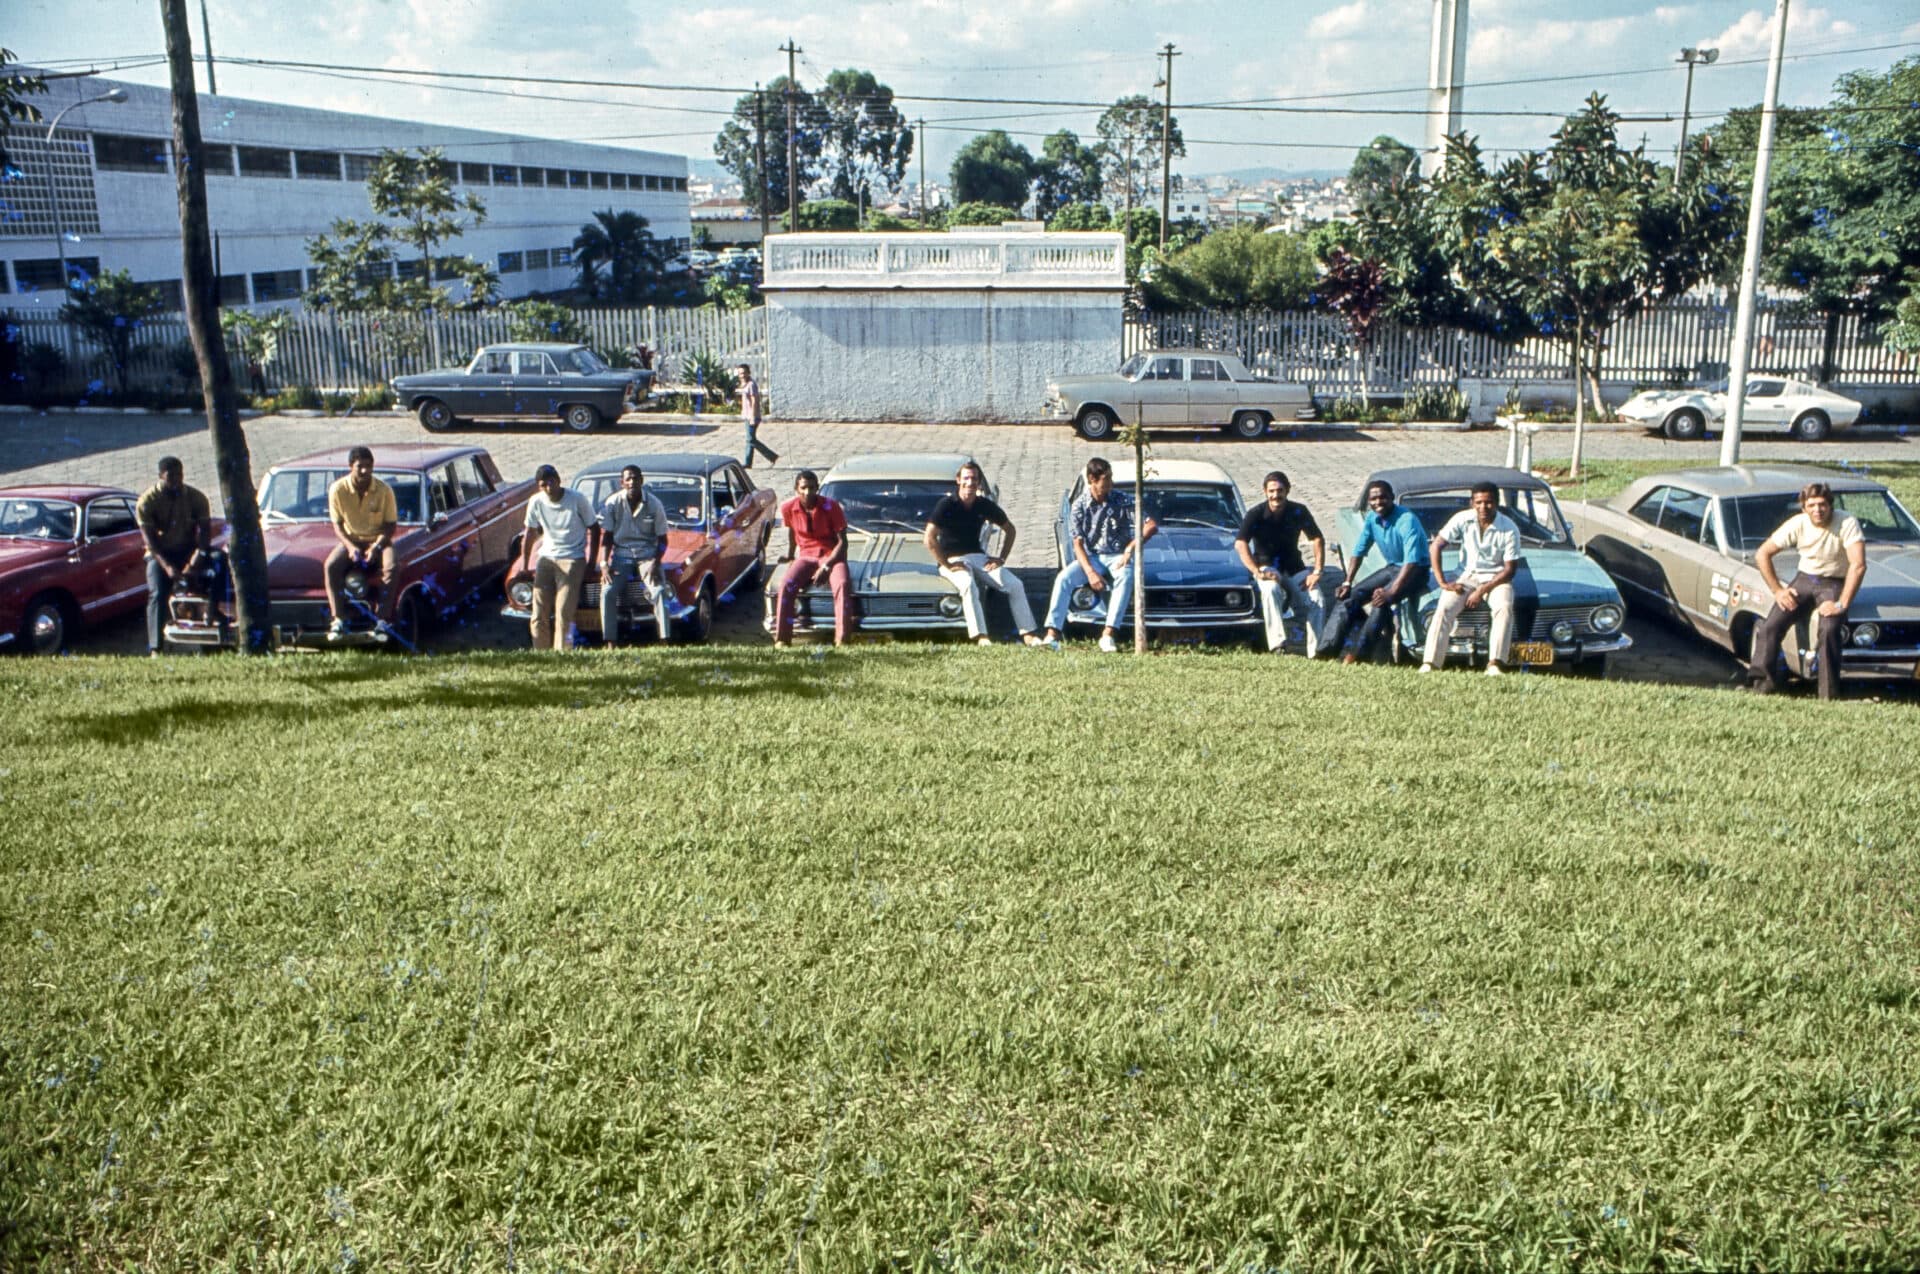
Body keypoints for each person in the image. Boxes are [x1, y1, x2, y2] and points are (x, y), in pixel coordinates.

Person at [1746, 481, 1866, 700]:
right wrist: (1778, 591)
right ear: (1804, 508)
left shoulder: (1847, 522)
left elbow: (1858, 565)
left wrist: (1842, 604)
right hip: (1805, 579)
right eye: (1811, 505)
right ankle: (1761, 686)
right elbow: (1762, 554)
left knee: (1829, 629)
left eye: (1822, 505)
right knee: (1770, 626)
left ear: (1831, 505)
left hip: (1833, 582)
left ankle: (1828, 695)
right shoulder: (1798, 523)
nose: (1817, 510)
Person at [1043, 457, 1158, 653]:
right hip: (1093, 557)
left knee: (1126, 576)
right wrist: (1090, 573)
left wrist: (1130, 548)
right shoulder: (1080, 506)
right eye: (1107, 479)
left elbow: (1151, 525)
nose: (1111, 484)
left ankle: (1108, 633)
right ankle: (1052, 634)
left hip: (1117, 555)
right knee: (1063, 579)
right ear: (1092, 480)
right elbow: (1077, 543)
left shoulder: (1121, 499)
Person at [924, 461, 1043, 647]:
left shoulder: (983, 505)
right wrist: (946, 564)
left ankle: (1028, 634)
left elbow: (1010, 529)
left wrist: (1001, 558)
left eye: (974, 479)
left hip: (977, 556)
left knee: (1015, 584)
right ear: (958, 480)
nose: (970, 483)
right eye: (966, 478)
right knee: (968, 584)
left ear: (979, 483)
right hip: (952, 560)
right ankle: (981, 636)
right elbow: (929, 538)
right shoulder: (946, 504)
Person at [1318, 478, 1429, 664]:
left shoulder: (1406, 520)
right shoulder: (1372, 518)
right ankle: (1325, 651)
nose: (1378, 503)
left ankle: (1359, 656)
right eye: (1373, 499)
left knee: (1380, 602)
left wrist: (1391, 592)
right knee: (1349, 598)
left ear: (1392, 498)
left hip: (1415, 571)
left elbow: (1411, 562)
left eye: (1383, 498)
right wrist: (1347, 582)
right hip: (1393, 567)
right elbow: (1358, 551)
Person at [1421, 481, 1521, 676]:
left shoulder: (1509, 528)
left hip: (1497, 579)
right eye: (1479, 502)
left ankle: (1495, 663)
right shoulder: (1462, 519)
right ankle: (1430, 663)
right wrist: (1442, 582)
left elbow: (1510, 570)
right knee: (1444, 608)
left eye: (1489, 502)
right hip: (1465, 576)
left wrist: (1481, 591)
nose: (1483, 507)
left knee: (1504, 608)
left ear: (1497, 503)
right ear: (1472, 503)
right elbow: (1436, 546)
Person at [1233, 469, 1330, 656]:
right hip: (1267, 567)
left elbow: (1317, 538)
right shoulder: (1256, 514)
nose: (1276, 495)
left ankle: (1316, 651)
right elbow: (1240, 543)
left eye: (1280, 490)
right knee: (1270, 591)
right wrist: (1256, 571)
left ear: (1287, 490)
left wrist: (1317, 571)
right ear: (1265, 492)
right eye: (1271, 491)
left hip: (1294, 568)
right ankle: (1278, 645)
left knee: (1317, 599)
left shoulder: (1298, 511)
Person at [134, 455, 212, 656]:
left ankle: (204, 640)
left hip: (188, 551)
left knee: (205, 585)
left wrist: (194, 563)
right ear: (161, 476)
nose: (177, 480)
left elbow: (204, 535)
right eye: (171, 476)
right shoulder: (147, 502)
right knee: (157, 593)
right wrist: (168, 568)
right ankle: (156, 647)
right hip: (160, 554)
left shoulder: (197, 498)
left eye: (180, 475)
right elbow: (151, 543)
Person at [518, 464, 599, 651]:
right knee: (538, 612)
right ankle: (541, 653)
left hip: (573, 557)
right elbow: (529, 533)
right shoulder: (536, 502)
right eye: (543, 485)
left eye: (551, 482)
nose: (548, 488)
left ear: (559, 480)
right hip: (546, 557)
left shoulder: (577, 499)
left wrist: (591, 562)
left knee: (564, 611)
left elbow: (594, 528)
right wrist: (524, 564)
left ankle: (563, 653)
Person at [773, 469, 854, 647]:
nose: (807, 492)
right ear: (796, 489)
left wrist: (827, 567)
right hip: (806, 555)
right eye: (803, 488)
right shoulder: (789, 508)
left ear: (817, 488)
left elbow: (843, 542)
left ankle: (842, 639)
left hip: (831, 555)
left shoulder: (831, 506)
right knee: (786, 585)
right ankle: (782, 639)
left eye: (811, 487)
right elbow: (793, 532)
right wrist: (790, 554)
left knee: (842, 584)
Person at [324, 445, 397, 639]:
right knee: (331, 565)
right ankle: (338, 618)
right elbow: (337, 525)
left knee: (392, 567)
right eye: (359, 466)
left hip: (378, 539)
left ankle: (382, 619)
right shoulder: (337, 490)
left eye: (368, 466)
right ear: (350, 467)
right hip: (352, 538)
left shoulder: (383, 490)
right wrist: (350, 547)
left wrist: (377, 547)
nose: (364, 471)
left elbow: (390, 525)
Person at [596, 465, 670, 644]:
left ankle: (664, 639)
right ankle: (610, 641)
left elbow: (663, 540)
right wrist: (604, 564)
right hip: (621, 556)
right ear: (622, 483)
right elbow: (607, 537)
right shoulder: (612, 503)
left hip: (647, 556)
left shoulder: (654, 504)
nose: (632, 482)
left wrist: (656, 561)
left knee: (659, 591)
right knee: (607, 592)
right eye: (628, 479)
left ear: (642, 481)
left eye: (636, 478)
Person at [736, 363, 778, 468]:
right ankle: (748, 462)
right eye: (740, 373)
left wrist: (753, 417)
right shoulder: (744, 384)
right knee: (750, 439)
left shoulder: (751, 385)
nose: (742, 375)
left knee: (750, 439)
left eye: (744, 373)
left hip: (752, 416)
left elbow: (755, 401)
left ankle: (771, 456)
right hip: (747, 415)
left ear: (748, 373)